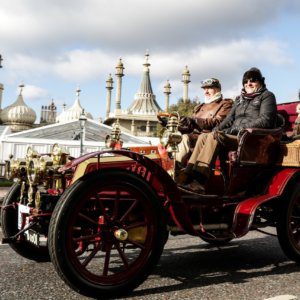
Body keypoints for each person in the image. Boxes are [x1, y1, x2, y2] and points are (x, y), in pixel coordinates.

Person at [179, 67, 278, 193]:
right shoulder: (239, 99)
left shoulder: (267, 96)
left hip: (251, 138)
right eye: (246, 81)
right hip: (236, 136)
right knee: (207, 135)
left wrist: (235, 129)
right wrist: (216, 129)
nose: (248, 84)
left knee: (215, 137)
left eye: (253, 81)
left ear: (260, 82)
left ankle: (199, 181)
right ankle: (188, 175)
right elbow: (229, 120)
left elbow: (266, 120)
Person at [171, 78, 233, 168]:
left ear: (218, 89)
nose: (206, 91)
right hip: (194, 136)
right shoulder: (199, 106)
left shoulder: (225, 104)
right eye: (204, 89)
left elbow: (218, 122)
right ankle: (172, 168)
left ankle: (175, 168)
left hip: (208, 138)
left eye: (209, 88)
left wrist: (195, 120)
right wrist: (176, 124)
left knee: (184, 138)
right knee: (173, 137)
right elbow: (190, 126)